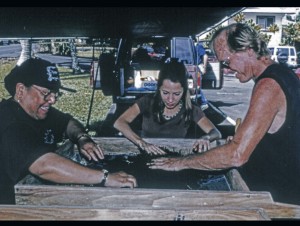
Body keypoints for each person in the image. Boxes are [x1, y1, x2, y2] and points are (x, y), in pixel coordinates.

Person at [148, 23, 300, 205]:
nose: (227, 69)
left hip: (283, 200)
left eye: (227, 62)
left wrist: (180, 163)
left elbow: (236, 155)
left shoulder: (268, 85)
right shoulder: (283, 73)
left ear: (248, 50)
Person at [0, 58, 137, 204]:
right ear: (21, 90)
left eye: (55, 93)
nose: (52, 100)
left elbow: (68, 122)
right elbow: (44, 166)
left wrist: (82, 137)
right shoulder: (9, 121)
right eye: (46, 93)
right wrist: (105, 177)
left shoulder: (37, 113)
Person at [113, 60, 222, 156]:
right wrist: (142, 143)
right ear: (158, 88)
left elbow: (216, 132)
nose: (170, 99)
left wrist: (206, 138)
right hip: (146, 156)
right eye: (165, 93)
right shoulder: (146, 102)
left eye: (176, 94)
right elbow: (119, 123)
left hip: (176, 159)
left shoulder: (192, 109)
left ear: (184, 91)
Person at [194, 40, 209, 111]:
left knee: (197, 86)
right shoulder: (194, 46)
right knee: (196, 86)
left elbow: (205, 56)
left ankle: (204, 102)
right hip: (194, 68)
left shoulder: (198, 46)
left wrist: (204, 67)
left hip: (197, 67)